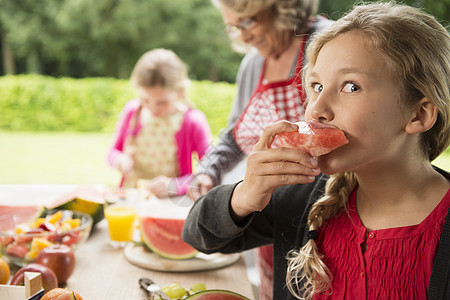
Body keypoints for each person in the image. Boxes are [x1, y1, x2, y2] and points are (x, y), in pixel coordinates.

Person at [182, 2, 450, 299]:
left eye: (350, 87)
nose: (315, 111)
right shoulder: (303, 197)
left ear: (419, 114)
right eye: (317, 86)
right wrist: (244, 195)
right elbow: (197, 234)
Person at [187, 1, 332, 298]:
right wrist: (208, 169)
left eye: (248, 22)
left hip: (324, 208)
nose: (243, 36)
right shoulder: (253, 64)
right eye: (233, 26)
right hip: (270, 211)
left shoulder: (327, 42)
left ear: (283, 9)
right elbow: (236, 132)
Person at [107, 49, 212, 198]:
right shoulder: (132, 112)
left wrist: (176, 185)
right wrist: (119, 160)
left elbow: (210, 170)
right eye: (145, 99)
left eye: (161, 103)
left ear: (181, 92)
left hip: (171, 203)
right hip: (132, 197)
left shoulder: (192, 121)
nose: (153, 108)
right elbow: (112, 152)